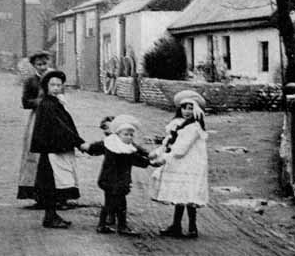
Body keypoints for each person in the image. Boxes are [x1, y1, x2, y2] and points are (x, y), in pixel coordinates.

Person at [29, 69, 90, 228]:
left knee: (51, 184)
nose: (56, 87)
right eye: (52, 85)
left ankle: (51, 215)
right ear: (46, 86)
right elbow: (61, 127)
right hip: (51, 149)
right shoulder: (49, 104)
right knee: (51, 184)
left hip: (54, 148)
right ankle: (50, 217)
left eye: (59, 85)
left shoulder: (54, 102)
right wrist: (79, 142)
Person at [87, 114, 161, 236]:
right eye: (125, 134)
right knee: (112, 203)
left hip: (120, 181)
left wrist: (150, 162)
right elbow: (95, 147)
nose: (128, 137)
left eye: (131, 135)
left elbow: (137, 158)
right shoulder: (110, 143)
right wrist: (87, 147)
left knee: (117, 203)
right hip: (110, 179)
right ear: (117, 134)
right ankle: (111, 225)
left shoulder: (128, 148)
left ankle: (112, 225)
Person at [150, 90, 209, 239]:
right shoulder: (175, 124)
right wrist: (157, 152)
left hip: (190, 164)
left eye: (191, 108)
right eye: (184, 108)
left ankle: (192, 226)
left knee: (189, 194)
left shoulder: (194, 128)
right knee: (179, 193)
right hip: (178, 164)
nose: (187, 111)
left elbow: (181, 149)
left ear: (196, 110)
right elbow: (168, 142)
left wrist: (164, 158)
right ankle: (176, 225)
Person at [16, 50, 51, 206]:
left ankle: (58, 194)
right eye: (39, 64)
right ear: (34, 65)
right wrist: (39, 101)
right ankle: (37, 194)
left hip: (53, 117)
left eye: (44, 63)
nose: (42, 67)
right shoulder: (31, 81)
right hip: (37, 118)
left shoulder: (54, 79)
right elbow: (25, 102)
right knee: (34, 153)